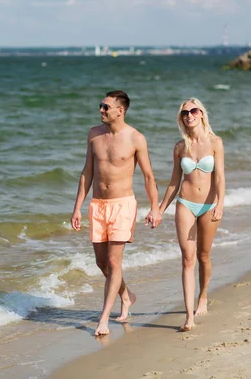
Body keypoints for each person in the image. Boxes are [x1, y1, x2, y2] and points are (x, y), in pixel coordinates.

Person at [71, 90, 163, 336]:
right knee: (102, 263)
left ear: (120, 110)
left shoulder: (135, 138)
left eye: (106, 107)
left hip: (123, 204)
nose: (101, 110)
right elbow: (86, 172)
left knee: (114, 261)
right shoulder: (94, 135)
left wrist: (155, 207)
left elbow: (149, 176)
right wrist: (78, 206)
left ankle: (103, 319)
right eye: (100, 105)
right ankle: (127, 295)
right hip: (97, 205)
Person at [159, 98, 225, 332]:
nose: (189, 115)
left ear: (201, 114)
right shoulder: (180, 147)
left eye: (193, 110)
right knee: (187, 258)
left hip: (208, 205)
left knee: (203, 256)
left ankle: (203, 295)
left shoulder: (216, 142)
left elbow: (219, 178)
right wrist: (159, 209)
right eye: (184, 112)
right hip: (185, 203)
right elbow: (174, 182)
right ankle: (188, 317)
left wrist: (220, 204)